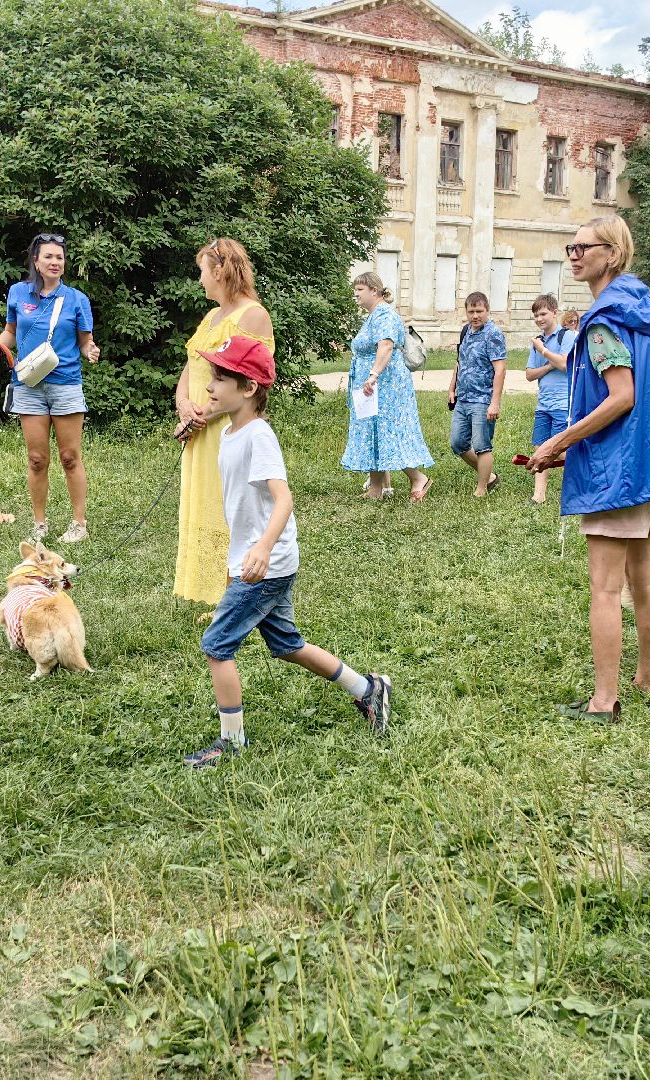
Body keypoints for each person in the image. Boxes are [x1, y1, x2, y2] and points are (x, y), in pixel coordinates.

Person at [184, 336, 392, 768]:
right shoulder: (229, 432)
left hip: (267, 565)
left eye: (220, 378)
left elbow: (283, 499)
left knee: (216, 644)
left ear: (249, 389)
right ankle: (368, 689)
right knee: (286, 644)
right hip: (259, 562)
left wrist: (260, 549)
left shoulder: (259, 436)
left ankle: (232, 741)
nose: (210, 385)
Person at [526, 215, 650, 723]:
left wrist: (561, 439)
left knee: (605, 589)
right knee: (645, 577)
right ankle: (646, 677)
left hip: (618, 471)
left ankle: (604, 701)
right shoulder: (643, 310)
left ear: (611, 255)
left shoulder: (603, 322)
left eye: (583, 247)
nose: (573, 254)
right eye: (569, 246)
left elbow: (622, 396)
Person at [174, 238, 274, 607]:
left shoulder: (253, 315)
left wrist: (205, 415)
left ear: (219, 270)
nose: (199, 280)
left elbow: (254, 380)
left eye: (202, 271)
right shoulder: (210, 317)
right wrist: (185, 405)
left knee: (232, 512)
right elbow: (192, 368)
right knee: (206, 507)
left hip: (229, 429)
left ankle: (236, 599)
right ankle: (217, 595)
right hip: (200, 430)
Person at [0, 233, 100, 545]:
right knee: (37, 458)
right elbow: (10, 331)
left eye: (59, 258)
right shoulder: (17, 293)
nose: (55, 262)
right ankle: (40, 523)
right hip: (29, 385)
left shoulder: (77, 299)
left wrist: (90, 350)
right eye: (48, 257)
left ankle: (79, 523)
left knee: (69, 457)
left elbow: (84, 341)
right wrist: (0, 345)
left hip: (65, 384)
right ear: (36, 262)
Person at [341, 272, 432, 501]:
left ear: (374, 290)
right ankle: (376, 489)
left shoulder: (385, 315)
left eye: (359, 290)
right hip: (374, 387)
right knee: (374, 432)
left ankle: (418, 478)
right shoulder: (373, 315)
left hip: (385, 386)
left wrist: (372, 376)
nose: (356, 294)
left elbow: (386, 346)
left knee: (388, 433)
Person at [446, 291, 507, 498]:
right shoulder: (466, 331)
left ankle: (482, 489)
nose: (475, 316)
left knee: (482, 446)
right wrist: (452, 388)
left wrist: (494, 403)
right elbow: (459, 362)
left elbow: (500, 369)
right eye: (471, 311)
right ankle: (489, 476)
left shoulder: (493, 334)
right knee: (457, 443)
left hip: (483, 400)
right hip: (463, 398)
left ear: (487, 310)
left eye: (479, 311)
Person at [523, 293, 576, 505]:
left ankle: (584, 483)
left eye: (543, 313)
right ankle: (539, 496)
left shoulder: (567, 336)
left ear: (555, 312)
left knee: (561, 451)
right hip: (543, 403)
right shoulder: (538, 342)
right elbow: (529, 374)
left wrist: (543, 351)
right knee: (540, 449)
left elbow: (565, 365)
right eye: (535, 315)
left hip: (563, 403)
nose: (539, 319)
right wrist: (549, 363)